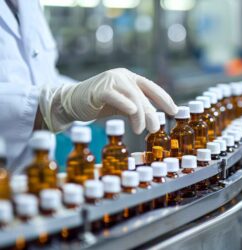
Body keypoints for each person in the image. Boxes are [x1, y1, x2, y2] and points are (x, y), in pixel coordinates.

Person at [0, 0, 178, 173]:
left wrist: (79, 93)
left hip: (39, 173)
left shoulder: (29, 4)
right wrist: (56, 104)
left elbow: (42, 76)